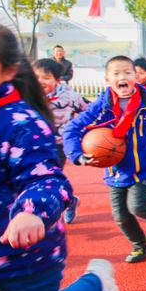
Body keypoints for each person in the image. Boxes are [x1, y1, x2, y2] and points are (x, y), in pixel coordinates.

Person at [0, 21, 118, 291]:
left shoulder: (22, 123)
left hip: (24, 253)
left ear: (8, 71)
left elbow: (47, 179)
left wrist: (31, 211)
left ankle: (95, 280)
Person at [63, 56, 146, 263]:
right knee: (121, 217)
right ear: (107, 79)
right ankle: (140, 245)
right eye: (116, 74)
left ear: (136, 77)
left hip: (143, 166)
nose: (122, 77)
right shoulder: (101, 106)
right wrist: (76, 154)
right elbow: (72, 128)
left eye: (127, 72)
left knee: (137, 207)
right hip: (115, 169)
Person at [34, 58, 87, 223]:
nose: (40, 82)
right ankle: (68, 201)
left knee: (48, 181)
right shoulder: (28, 95)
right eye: (36, 77)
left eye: (46, 77)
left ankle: (60, 207)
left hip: (57, 145)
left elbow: (89, 110)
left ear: (58, 80)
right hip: (32, 144)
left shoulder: (69, 96)